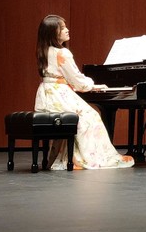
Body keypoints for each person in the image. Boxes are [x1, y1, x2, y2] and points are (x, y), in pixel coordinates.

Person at [34, 15, 135, 170]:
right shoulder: (63, 53)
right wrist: (92, 85)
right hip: (59, 94)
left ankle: (66, 156)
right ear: (53, 33)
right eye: (62, 28)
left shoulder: (44, 50)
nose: (67, 30)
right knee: (91, 117)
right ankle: (89, 158)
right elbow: (77, 80)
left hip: (46, 96)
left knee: (82, 117)